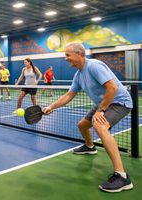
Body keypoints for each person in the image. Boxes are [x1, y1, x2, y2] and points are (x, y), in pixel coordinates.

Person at [42, 42, 133, 193]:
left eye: (68, 55)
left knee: (100, 126)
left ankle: (122, 177)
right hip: (103, 104)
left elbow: (112, 88)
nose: (66, 59)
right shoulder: (78, 75)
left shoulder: (94, 66)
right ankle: (90, 147)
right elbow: (69, 95)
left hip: (119, 102)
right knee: (82, 125)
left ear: (79, 54)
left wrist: (101, 110)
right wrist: (51, 106)